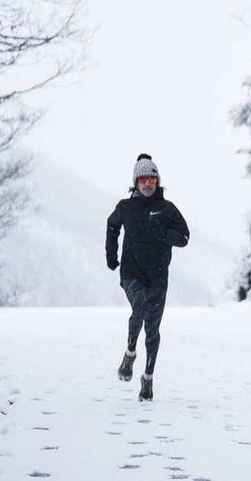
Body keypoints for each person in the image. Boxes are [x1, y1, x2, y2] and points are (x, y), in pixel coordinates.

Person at [106, 153, 189, 401]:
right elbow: (112, 226)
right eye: (142, 179)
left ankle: (148, 379)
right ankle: (130, 354)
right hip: (131, 273)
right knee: (139, 305)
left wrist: (162, 232)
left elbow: (184, 238)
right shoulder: (126, 207)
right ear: (136, 181)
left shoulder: (167, 209)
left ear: (157, 181)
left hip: (158, 278)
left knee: (152, 331)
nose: (147, 183)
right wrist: (111, 256)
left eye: (151, 178)